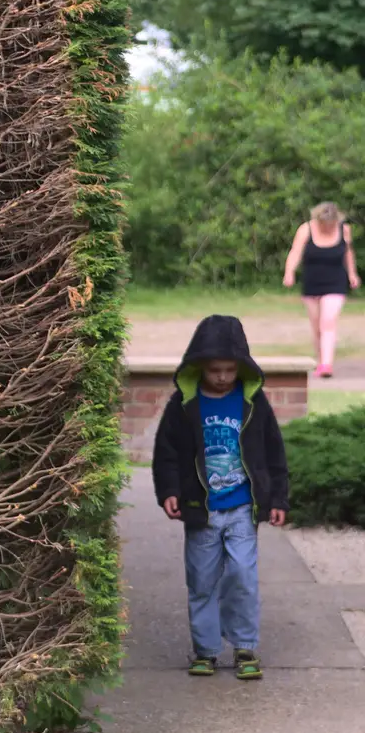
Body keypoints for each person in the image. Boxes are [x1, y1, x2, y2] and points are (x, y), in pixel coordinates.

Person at [152, 314, 289, 681]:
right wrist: (168, 491)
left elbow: (274, 453)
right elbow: (166, 452)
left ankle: (245, 646)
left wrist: (277, 499)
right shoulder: (185, 405)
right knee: (202, 581)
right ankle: (207, 650)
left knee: (243, 576)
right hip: (202, 510)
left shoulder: (252, 403)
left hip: (242, 507)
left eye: (230, 369)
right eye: (215, 370)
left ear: (242, 367)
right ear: (199, 366)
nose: (223, 377)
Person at [283, 201, 360, 377]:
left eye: (331, 224)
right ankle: (320, 360)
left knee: (328, 322)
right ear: (318, 219)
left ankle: (327, 364)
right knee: (317, 326)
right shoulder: (305, 229)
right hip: (312, 283)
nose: (328, 227)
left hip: (336, 283)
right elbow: (295, 252)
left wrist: (352, 274)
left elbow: (348, 253)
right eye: (325, 224)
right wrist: (289, 272)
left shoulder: (344, 230)